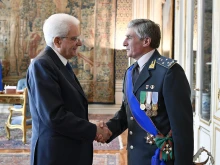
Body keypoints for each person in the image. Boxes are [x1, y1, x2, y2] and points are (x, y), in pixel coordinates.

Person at [97, 19, 194, 165]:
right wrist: (107, 130)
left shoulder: (169, 72)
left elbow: (182, 129)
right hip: (136, 157)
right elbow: (126, 115)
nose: (124, 43)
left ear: (146, 41)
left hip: (160, 157)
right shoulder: (130, 73)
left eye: (129, 37)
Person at [26, 13, 112, 165]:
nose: (79, 43)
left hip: (68, 150)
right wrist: (94, 130)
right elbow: (54, 116)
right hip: (55, 154)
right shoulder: (42, 65)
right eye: (74, 38)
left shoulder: (59, 62)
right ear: (57, 41)